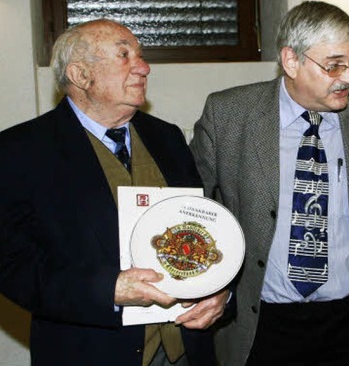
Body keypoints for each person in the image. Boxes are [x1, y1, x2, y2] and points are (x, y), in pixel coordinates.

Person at [190, 0, 349, 366]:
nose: (347, 77)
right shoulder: (229, 115)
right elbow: (195, 202)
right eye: (333, 65)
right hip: (262, 317)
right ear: (291, 61)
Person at [0, 19, 229, 366]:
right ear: (80, 76)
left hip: (186, 349)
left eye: (140, 55)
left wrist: (219, 292)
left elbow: (205, 229)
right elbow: (13, 266)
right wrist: (108, 290)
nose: (144, 67)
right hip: (91, 352)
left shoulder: (168, 138)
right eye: (124, 55)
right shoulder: (21, 151)